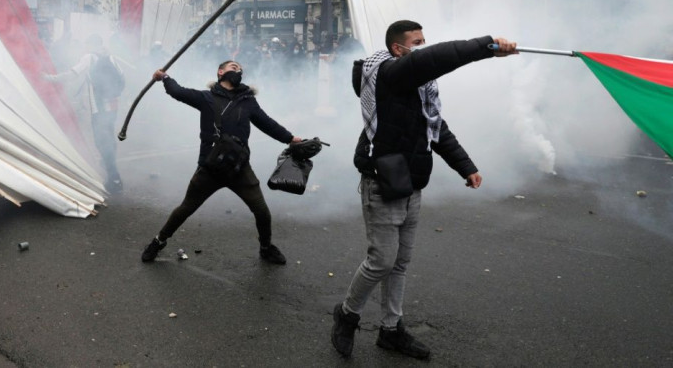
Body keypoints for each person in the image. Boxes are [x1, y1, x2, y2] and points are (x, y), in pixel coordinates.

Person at [330, 20, 518, 360]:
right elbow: (434, 59)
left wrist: (467, 167)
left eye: (423, 40)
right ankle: (347, 314)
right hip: (382, 181)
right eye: (416, 42)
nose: (422, 45)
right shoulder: (390, 74)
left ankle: (391, 330)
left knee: (399, 263)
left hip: (412, 181)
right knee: (381, 262)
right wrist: (487, 45)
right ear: (398, 49)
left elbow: (436, 129)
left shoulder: (419, 90)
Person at [140, 60, 303, 264]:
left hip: (239, 168)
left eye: (240, 68)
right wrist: (164, 78)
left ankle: (266, 247)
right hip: (210, 167)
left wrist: (290, 138)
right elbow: (178, 92)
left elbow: (266, 123)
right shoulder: (205, 98)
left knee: (262, 211)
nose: (238, 69)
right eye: (232, 66)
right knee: (185, 209)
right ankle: (158, 241)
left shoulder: (248, 101)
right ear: (220, 72)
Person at [45, 34, 124, 193]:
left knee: (102, 141)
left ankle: (114, 179)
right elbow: (122, 78)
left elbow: (72, 74)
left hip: (99, 106)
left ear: (89, 44)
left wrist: (49, 78)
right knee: (108, 138)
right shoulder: (111, 57)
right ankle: (110, 167)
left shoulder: (89, 57)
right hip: (113, 104)